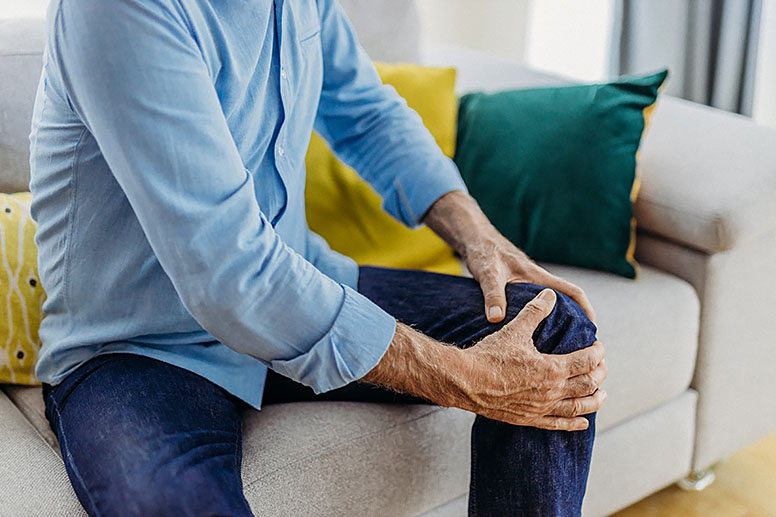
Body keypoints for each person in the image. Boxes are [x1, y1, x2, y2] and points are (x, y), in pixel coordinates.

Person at [29, 0, 607, 515]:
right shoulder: (115, 10)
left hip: (299, 281)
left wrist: (478, 235)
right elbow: (232, 277)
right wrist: (466, 378)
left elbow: (367, 114)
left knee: (550, 328)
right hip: (142, 350)